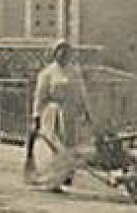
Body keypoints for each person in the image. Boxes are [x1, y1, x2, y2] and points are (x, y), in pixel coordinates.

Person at [28, 37, 91, 191]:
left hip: (70, 113)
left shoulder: (74, 72)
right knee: (55, 146)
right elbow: (39, 96)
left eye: (66, 52)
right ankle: (53, 177)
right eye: (60, 51)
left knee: (71, 145)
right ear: (55, 53)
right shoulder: (47, 73)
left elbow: (81, 92)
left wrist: (86, 111)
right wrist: (36, 115)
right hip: (53, 113)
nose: (63, 55)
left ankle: (67, 175)